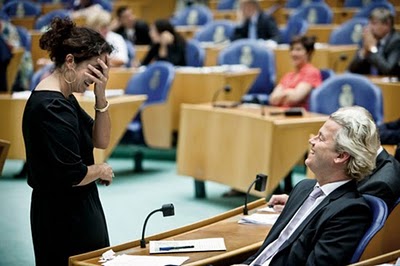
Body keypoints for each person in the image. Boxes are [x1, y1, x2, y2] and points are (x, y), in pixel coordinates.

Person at [233, 106, 379, 265]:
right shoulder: (303, 188)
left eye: (321, 138)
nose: (312, 141)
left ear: (341, 156)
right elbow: (270, 249)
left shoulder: (350, 211)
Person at [22, 17, 114, 266]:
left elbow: (101, 140)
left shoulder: (65, 98)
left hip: (79, 207)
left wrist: (101, 95)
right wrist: (101, 169)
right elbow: (72, 174)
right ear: (70, 61)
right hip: (62, 216)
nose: (97, 77)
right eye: (94, 69)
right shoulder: (51, 105)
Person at [269, 35, 322, 110]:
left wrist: (283, 93)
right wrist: (289, 92)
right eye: (292, 49)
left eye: (298, 50)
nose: (293, 53)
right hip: (280, 115)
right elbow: (272, 99)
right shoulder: (288, 75)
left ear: (308, 53)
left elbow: (295, 98)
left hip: (298, 118)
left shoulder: (312, 72)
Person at [348, 7, 400, 76]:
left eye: (374, 23)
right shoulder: (370, 38)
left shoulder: (396, 41)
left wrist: (372, 48)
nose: (370, 27)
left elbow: (389, 70)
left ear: (387, 25)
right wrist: (364, 52)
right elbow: (352, 70)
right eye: (369, 23)